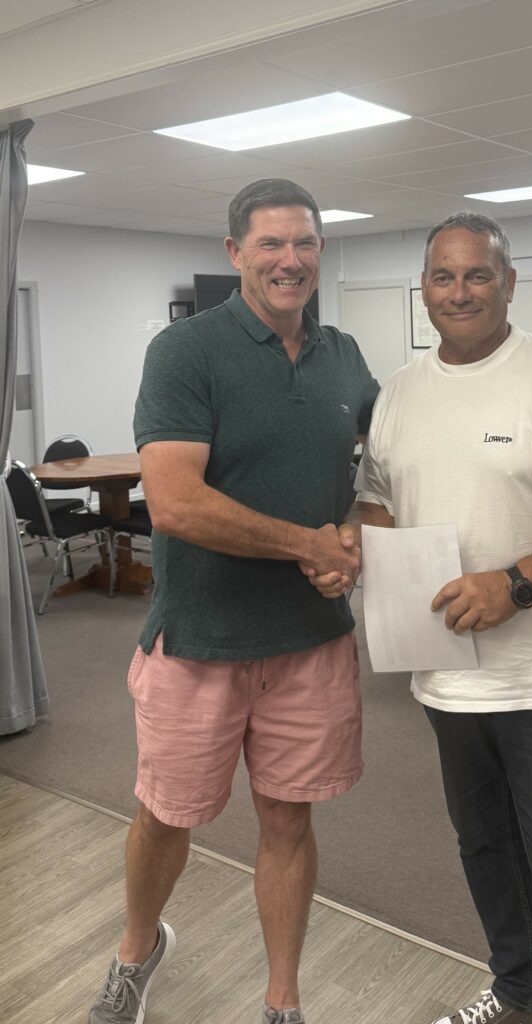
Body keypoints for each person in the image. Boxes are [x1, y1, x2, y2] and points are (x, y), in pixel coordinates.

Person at [307, 212, 532, 1024]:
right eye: (443, 276)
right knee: (486, 850)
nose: (459, 291)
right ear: (423, 290)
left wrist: (516, 585)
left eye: (477, 274)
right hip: (447, 678)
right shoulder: (399, 394)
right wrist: (351, 546)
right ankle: (525, 994)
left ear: (508, 283)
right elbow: (379, 504)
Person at [87, 178, 379, 1024]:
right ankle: (136, 949)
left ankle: (282, 1000)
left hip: (310, 642)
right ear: (235, 253)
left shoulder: (343, 355)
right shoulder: (187, 352)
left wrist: (352, 536)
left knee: (288, 822)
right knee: (165, 817)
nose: (290, 260)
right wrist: (309, 546)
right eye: (270, 243)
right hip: (200, 640)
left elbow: (383, 469)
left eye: (305, 243)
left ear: (321, 251)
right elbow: (176, 504)